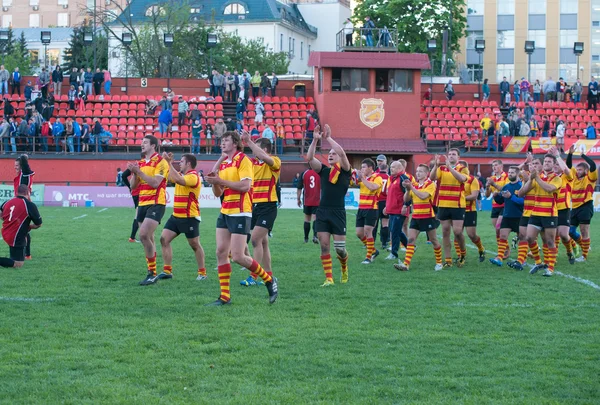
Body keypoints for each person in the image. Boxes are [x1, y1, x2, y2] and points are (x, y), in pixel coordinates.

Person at [204, 131, 278, 305]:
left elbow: (245, 186)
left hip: (240, 210)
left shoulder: (243, 160)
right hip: (226, 210)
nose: (222, 143)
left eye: (226, 140)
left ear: (235, 143)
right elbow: (218, 193)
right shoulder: (225, 164)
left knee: (237, 256)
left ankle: (269, 279)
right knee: (221, 252)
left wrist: (221, 181)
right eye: (221, 140)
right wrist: (216, 183)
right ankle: (224, 297)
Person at [306, 124, 351, 286]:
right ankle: (329, 278)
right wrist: (315, 140)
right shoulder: (323, 171)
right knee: (324, 246)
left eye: (333, 154)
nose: (331, 155)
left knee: (340, 249)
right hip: (323, 211)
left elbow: (342, 153)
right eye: (329, 153)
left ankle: (344, 268)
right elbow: (310, 158)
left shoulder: (346, 171)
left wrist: (329, 138)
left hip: (338, 212)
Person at [127, 135, 170, 286]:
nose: (141, 144)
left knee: (143, 234)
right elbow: (133, 186)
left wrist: (138, 172)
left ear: (153, 146)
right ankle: (152, 271)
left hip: (156, 202)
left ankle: (152, 273)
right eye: (141, 142)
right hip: (143, 202)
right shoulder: (140, 163)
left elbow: (155, 183)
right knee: (148, 239)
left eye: (145, 142)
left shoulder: (161, 162)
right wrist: (134, 172)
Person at [239, 133, 281, 286]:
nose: (252, 149)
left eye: (256, 146)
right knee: (263, 243)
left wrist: (249, 141)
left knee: (255, 240)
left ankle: (254, 276)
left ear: (263, 149)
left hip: (267, 206)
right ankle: (268, 276)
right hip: (253, 206)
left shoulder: (274, 161)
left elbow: (265, 158)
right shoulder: (252, 163)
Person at [157, 153, 207, 281]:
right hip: (176, 216)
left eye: (182, 161)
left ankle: (202, 273)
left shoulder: (194, 176)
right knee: (164, 239)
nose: (179, 163)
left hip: (189, 217)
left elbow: (178, 180)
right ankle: (167, 271)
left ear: (188, 164)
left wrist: (168, 163)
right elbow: (171, 177)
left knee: (194, 244)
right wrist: (165, 162)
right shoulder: (182, 175)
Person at [518, 154, 562, 276]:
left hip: (550, 214)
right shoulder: (537, 177)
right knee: (529, 238)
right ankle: (538, 262)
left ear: (553, 164)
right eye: (546, 161)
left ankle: (550, 268)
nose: (547, 163)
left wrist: (536, 177)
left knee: (549, 241)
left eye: (549, 161)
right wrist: (529, 179)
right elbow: (521, 193)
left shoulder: (557, 178)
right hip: (535, 213)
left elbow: (548, 189)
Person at [394, 165, 442, 271]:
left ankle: (439, 262)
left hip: (428, 216)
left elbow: (423, 196)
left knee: (434, 240)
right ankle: (406, 264)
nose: (418, 173)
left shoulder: (430, 184)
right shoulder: (414, 184)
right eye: (417, 171)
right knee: (411, 240)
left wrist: (411, 188)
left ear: (426, 173)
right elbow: (406, 199)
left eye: (420, 171)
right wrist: (407, 190)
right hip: (416, 216)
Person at [430, 149, 469, 268]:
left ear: (458, 157)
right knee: (445, 231)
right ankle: (448, 260)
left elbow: (461, 179)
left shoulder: (463, 168)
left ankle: (462, 253)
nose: (451, 156)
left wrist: (450, 168)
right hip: (443, 204)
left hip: (457, 204)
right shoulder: (441, 168)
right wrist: (435, 166)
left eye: (453, 154)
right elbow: (432, 178)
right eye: (449, 154)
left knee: (457, 232)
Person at [567, 145, 597, 263]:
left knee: (584, 231)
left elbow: (593, 165)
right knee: (570, 231)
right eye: (577, 170)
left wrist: (583, 156)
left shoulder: (590, 177)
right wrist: (570, 154)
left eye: (580, 170)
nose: (578, 171)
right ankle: (585, 246)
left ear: (586, 171)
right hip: (574, 207)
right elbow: (569, 166)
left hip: (586, 206)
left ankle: (584, 256)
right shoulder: (574, 177)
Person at [0, 185, 42, 268]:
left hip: (6, 232)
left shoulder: (7, 202)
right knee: (18, 264)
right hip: (17, 235)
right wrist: (29, 227)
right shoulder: (29, 205)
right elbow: (38, 224)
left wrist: (9, 221)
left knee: (15, 256)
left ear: (16, 192)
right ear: (27, 193)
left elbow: (1, 214)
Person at [489, 166, 524, 267]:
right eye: (509, 172)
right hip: (507, 215)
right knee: (502, 236)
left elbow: (523, 202)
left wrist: (511, 197)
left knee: (522, 238)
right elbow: (501, 201)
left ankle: (521, 259)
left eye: (512, 172)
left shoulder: (522, 186)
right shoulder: (506, 186)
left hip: (519, 216)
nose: (510, 174)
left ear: (517, 174)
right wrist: (496, 197)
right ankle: (499, 258)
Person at [549, 146, 576, 265]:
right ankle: (551, 260)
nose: (555, 167)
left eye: (557, 165)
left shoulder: (567, 177)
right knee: (553, 236)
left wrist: (557, 156)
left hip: (563, 209)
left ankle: (569, 250)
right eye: (554, 165)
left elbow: (566, 169)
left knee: (564, 235)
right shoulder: (551, 178)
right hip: (551, 209)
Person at [355, 158, 383, 264]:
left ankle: (368, 256)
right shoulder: (363, 178)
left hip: (372, 208)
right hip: (361, 208)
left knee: (368, 231)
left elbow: (372, 187)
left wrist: (362, 178)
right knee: (359, 233)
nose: (361, 169)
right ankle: (374, 251)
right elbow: (353, 183)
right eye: (361, 167)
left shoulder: (377, 177)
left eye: (363, 167)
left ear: (370, 168)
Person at [384, 160, 411, 261]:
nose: (391, 169)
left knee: (395, 232)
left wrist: (405, 205)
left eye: (394, 167)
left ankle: (394, 253)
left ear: (400, 169)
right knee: (395, 230)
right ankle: (410, 246)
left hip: (399, 210)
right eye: (391, 167)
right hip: (392, 210)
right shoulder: (392, 178)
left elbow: (409, 194)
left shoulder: (403, 179)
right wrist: (386, 207)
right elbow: (392, 195)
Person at [458, 167, 486, 263]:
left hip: (470, 210)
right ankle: (461, 255)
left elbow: (474, 196)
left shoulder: (473, 180)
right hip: (457, 210)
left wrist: (461, 198)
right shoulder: (454, 178)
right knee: (457, 233)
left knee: (471, 235)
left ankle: (481, 248)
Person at [485, 160, 509, 258]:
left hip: (504, 205)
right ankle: (504, 248)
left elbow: (506, 190)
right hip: (495, 206)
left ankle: (503, 251)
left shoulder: (507, 176)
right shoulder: (492, 178)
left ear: (501, 166)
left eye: (496, 165)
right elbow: (487, 196)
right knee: (497, 230)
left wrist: (494, 185)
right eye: (493, 166)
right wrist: (487, 187)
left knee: (499, 228)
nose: (494, 167)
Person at [13, 155, 35, 259]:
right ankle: (27, 254)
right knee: (23, 230)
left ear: (21, 166)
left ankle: (23, 254)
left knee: (21, 230)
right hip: (20, 204)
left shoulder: (24, 174)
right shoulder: (20, 176)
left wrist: (23, 158)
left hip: (23, 205)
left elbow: (26, 168)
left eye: (17, 165)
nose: (15, 167)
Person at [297, 165, 321, 244]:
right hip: (317, 200)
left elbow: (299, 187)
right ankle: (315, 236)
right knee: (315, 218)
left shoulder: (304, 173)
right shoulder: (319, 173)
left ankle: (306, 238)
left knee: (307, 219)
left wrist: (298, 199)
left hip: (307, 200)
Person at [372, 155, 390, 250]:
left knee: (374, 223)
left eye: (381, 161)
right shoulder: (389, 177)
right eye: (378, 160)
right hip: (385, 202)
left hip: (377, 201)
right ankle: (384, 243)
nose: (379, 162)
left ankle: (372, 242)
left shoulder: (375, 176)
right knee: (385, 223)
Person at [121, 163, 142, 243]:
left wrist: (130, 187)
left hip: (135, 194)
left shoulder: (135, 165)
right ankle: (133, 237)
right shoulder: (143, 165)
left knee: (140, 214)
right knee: (138, 214)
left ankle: (134, 237)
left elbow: (123, 176)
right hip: (141, 194)